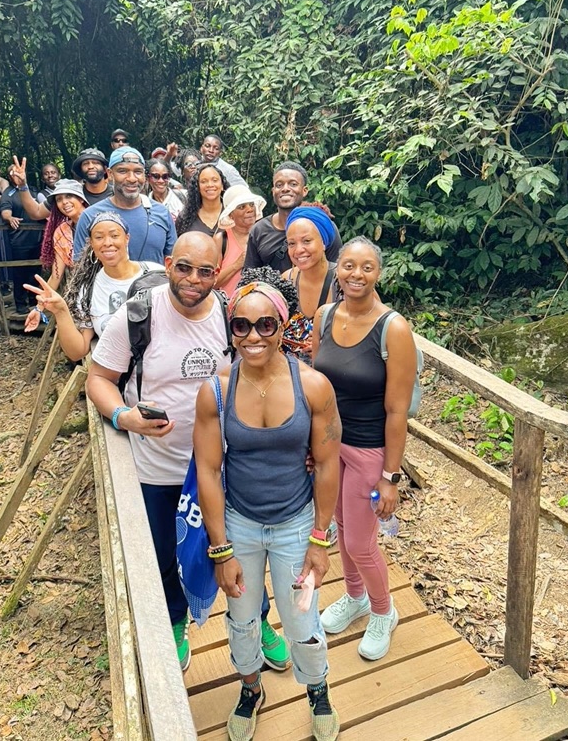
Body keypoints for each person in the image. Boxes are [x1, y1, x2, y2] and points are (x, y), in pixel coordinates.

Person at [86, 234, 289, 674]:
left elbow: (269, 374)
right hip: (156, 467)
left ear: (220, 273)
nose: (193, 280)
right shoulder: (138, 314)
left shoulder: (233, 317)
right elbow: (98, 378)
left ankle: (258, 621)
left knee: (242, 550)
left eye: (205, 271)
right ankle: (176, 620)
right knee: (166, 555)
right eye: (183, 268)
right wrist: (124, 416)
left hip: (221, 466)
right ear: (167, 264)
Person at [194, 278, 342, 741]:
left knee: (301, 617)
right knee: (241, 618)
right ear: (230, 329)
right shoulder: (215, 391)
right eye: (241, 325)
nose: (253, 336)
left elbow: (328, 463)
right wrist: (221, 550)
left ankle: (317, 690)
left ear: (283, 326)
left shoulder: (314, 387)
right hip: (240, 521)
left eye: (265, 324)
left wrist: (321, 538)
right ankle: (250, 688)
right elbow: (207, 471)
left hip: (296, 523)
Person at [312, 237, 417, 662]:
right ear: (338, 269)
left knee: (360, 541)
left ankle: (383, 610)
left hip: (369, 449)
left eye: (367, 267)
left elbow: (397, 410)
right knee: (340, 527)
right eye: (349, 266)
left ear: (379, 273)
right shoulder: (324, 316)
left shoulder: (393, 328)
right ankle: (354, 597)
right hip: (329, 446)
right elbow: (316, 386)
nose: (357, 274)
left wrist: (390, 477)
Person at [24, 211, 158, 356]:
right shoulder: (88, 290)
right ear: (91, 243)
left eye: (114, 236)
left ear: (127, 238)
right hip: (117, 374)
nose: (107, 243)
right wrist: (61, 311)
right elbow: (77, 352)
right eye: (99, 237)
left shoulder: (155, 275)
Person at [73, 146, 176, 263]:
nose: (132, 179)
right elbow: (79, 267)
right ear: (110, 174)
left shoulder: (161, 212)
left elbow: (172, 261)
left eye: (138, 171)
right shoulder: (90, 216)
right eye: (123, 171)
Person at [245, 162, 342, 272]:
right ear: (273, 191)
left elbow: (336, 270)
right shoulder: (259, 230)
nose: (285, 189)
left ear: (304, 190)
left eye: (293, 184)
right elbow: (250, 275)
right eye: (279, 185)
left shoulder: (321, 226)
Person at [23, 179, 88, 331]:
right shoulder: (62, 232)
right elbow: (56, 275)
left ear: (80, 198)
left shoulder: (99, 221)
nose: (64, 202)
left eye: (69, 196)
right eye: (59, 199)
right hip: (80, 294)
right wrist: (39, 308)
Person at [281, 206, 340, 364]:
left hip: (335, 377)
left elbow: (372, 329)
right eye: (291, 243)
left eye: (307, 241)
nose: (299, 250)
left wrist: (330, 344)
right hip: (292, 377)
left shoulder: (344, 282)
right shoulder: (286, 281)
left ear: (324, 242)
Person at [9, 149, 112, 222]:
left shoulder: (117, 195)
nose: (90, 166)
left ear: (105, 169)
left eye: (95, 162)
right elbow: (36, 212)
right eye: (85, 164)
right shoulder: (71, 193)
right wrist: (22, 185)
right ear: (80, 170)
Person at [0, 166, 45, 314]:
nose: (17, 175)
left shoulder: (32, 190)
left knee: (35, 270)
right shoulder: (9, 193)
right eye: (13, 173)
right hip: (19, 240)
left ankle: (34, 298)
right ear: (9, 176)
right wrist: (9, 217)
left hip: (37, 238)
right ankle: (20, 303)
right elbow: (5, 211)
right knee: (20, 273)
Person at [214, 185, 266, 298]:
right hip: (228, 308)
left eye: (251, 205)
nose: (250, 209)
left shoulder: (264, 236)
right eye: (242, 207)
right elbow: (211, 281)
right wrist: (237, 264)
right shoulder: (221, 239)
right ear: (231, 214)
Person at [176, 163, 229, 237]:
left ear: (222, 185)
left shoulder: (233, 214)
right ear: (197, 187)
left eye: (215, 180)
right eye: (204, 181)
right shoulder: (185, 218)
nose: (210, 185)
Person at [146, 159, 186, 223]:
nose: (161, 181)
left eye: (165, 176)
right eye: (156, 176)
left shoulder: (184, 196)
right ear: (148, 178)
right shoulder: (145, 205)